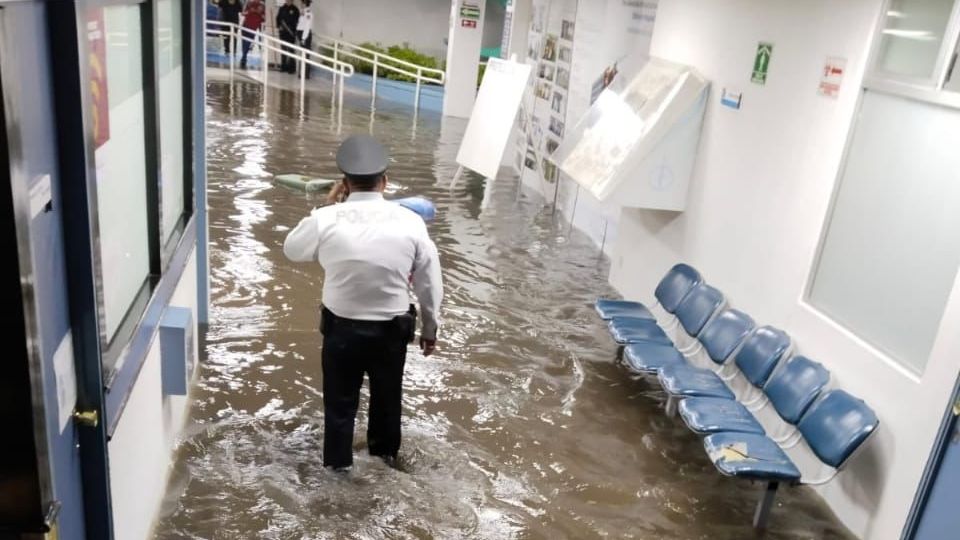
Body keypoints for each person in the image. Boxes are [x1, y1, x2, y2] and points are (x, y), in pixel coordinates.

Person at [283, 135, 443, 471]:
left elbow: (292, 250)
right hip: (391, 333)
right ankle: (384, 467)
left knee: (339, 409)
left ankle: (337, 475)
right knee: (387, 406)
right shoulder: (411, 221)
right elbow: (429, 284)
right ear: (384, 182)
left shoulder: (327, 219)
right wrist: (430, 329)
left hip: (341, 332)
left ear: (344, 184)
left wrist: (324, 208)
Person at [239, 0, 265, 69]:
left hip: (253, 28)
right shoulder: (249, 2)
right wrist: (251, 11)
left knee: (247, 43)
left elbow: (264, 18)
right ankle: (244, 57)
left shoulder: (262, 5)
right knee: (244, 43)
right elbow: (243, 13)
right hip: (246, 25)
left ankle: (244, 58)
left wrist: (256, 12)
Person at [276, 0, 300, 74]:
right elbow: (278, 18)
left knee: (291, 51)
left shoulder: (295, 9)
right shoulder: (282, 8)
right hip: (283, 32)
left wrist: (290, 28)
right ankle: (284, 67)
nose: (288, 1)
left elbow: (296, 21)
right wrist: (279, 26)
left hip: (291, 33)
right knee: (283, 50)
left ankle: (291, 68)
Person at [297, 0, 314, 79]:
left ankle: (305, 74)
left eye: (302, 2)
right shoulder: (303, 11)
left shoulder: (308, 13)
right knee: (302, 55)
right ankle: (301, 73)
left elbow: (307, 27)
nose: (300, 4)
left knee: (306, 55)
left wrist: (303, 38)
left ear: (304, 3)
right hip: (301, 34)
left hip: (305, 35)